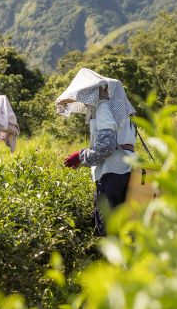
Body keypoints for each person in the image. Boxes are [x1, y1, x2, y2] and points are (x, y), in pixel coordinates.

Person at [56, 68, 137, 236]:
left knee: (106, 227)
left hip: (112, 172)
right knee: (122, 226)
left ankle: (109, 260)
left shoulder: (104, 109)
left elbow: (106, 146)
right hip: (126, 170)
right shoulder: (120, 112)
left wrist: (80, 157)